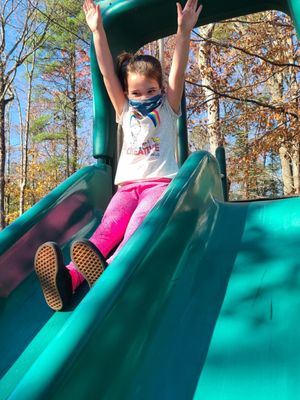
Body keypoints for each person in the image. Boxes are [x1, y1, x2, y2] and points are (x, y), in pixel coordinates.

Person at [34, 0, 203, 311]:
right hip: (125, 188)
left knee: (135, 228)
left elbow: (178, 69)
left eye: (151, 90)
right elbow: (104, 70)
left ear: (160, 89)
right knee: (106, 229)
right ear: (127, 94)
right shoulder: (124, 111)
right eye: (137, 93)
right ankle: (67, 280)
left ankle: (110, 271)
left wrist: (183, 33)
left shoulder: (168, 108)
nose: (144, 97)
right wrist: (97, 30)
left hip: (158, 186)